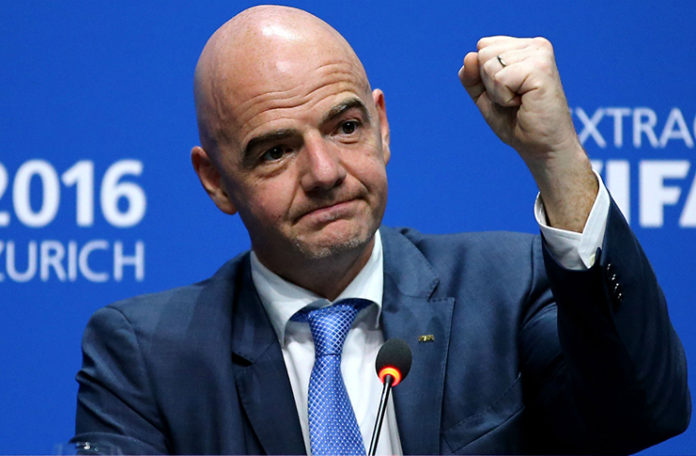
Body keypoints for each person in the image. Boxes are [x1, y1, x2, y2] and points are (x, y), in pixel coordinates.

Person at [73, 5, 690, 455]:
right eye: (276, 151)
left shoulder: (507, 288)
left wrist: (559, 162)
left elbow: (644, 413)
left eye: (346, 127)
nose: (324, 172)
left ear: (382, 126)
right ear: (215, 181)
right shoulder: (148, 355)